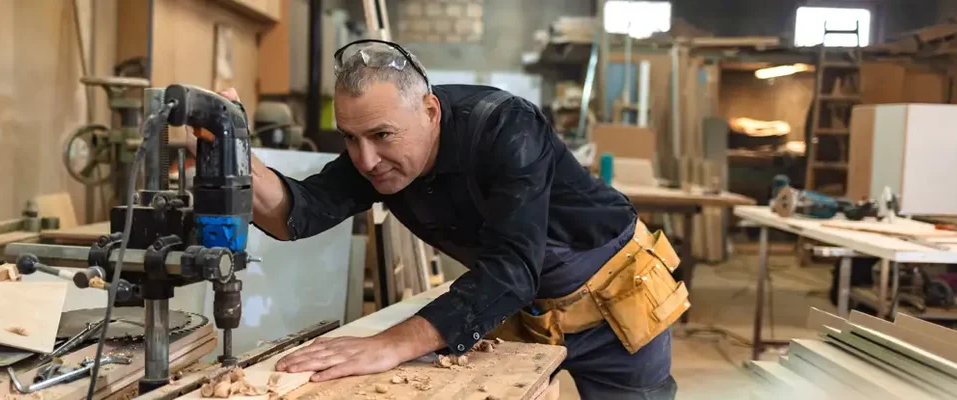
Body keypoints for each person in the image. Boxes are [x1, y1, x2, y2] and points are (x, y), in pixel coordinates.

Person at [209, 40, 687, 399]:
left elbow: (514, 268)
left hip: (615, 299)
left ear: (430, 110)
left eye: (381, 136)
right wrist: (237, 159)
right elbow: (300, 212)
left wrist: (392, 343)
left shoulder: (507, 127)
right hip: (526, 307)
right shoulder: (377, 153)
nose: (366, 160)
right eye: (350, 138)